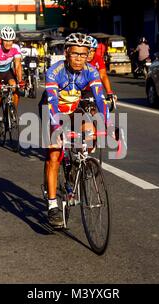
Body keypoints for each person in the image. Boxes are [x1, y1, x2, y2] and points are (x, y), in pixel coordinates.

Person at [43, 32, 109, 227]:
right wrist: (57, 129)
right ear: (66, 53)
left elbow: (100, 99)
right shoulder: (54, 72)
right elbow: (53, 103)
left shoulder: (91, 71)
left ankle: (77, 166)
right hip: (54, 112)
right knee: (54, 154)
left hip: (74, 110)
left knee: (90, 131)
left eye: (83, 54)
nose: (79, 58)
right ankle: (53, 205)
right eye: (75, 54)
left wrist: (108, 123)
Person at [0, 26, 25, 137]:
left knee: (15, 87)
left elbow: (18, 65)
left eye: (10, 40)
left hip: (8, 72)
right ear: (2, 40)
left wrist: (20, 80)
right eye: (6, 40)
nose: (8, 43)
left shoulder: (16, 48)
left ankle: (12, 111)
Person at [86, 35, 117, 108]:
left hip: (92, 89)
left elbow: (103, 75)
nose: (90, 54)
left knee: (95, 109)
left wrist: (109, 93)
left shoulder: (98, 58)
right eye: (88, 51)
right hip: (77, 90)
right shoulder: (78, 59)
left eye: (93, 51)